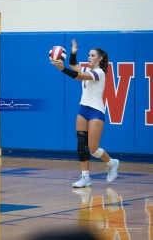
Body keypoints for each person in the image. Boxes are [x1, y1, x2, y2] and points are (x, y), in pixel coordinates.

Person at [51, 39, 119, 188]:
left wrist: (62, 69)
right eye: (88, 55)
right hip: (83, 109)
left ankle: (112, 163)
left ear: (100, 58)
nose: (89, 57)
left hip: (96, 111)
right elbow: (73, 65)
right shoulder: (86, 69)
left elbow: (79, 77)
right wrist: (74, 52)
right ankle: (85, 178)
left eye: (93, 55)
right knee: (81, 145)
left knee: (93, 149)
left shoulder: (100, 72)